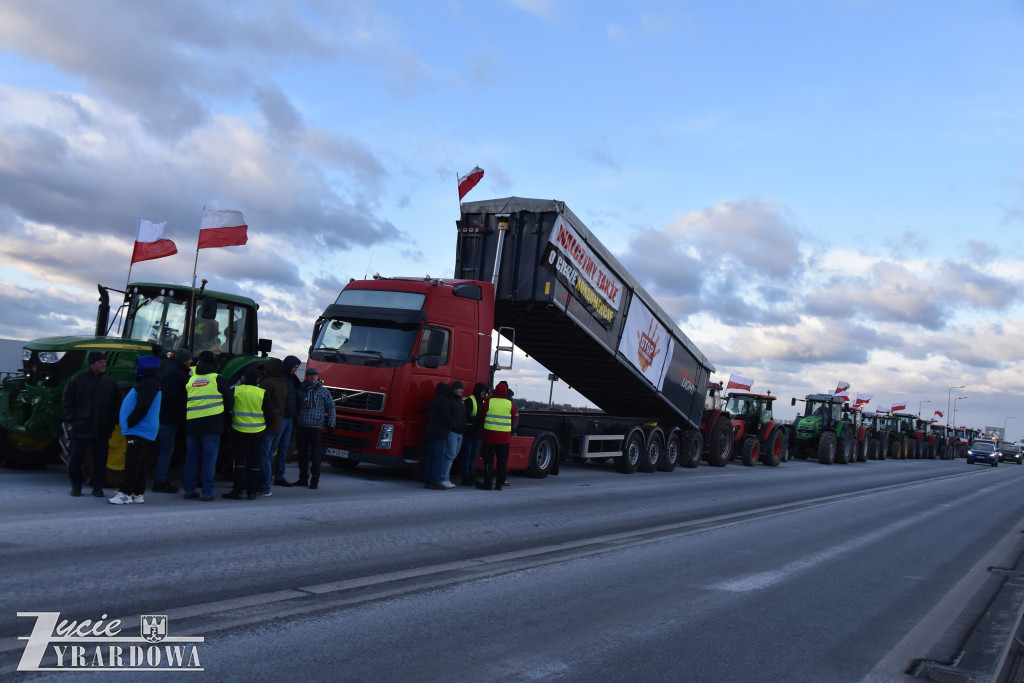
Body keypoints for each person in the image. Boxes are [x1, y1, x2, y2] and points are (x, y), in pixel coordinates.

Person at [61, 350, 120, 497]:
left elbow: (117, 404)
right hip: (80, 428)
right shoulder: (77, 380)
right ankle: (76, 485)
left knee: (100, 462)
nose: (104, 365)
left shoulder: (110, 382)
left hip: (102, 429)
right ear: (92, 364)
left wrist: (111, 421)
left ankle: (97, 487)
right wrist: (72, 419)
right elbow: (67, 401)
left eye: (105, 362)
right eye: (101, 362)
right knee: (75, 459)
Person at [109, 356, 162, 505]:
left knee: (133, 462)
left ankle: (125, 493)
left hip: (140, 429)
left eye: (137, 366)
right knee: (140, 462)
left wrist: (130, 422)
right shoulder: (150, 382)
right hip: (141, 429)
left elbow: (143, 406)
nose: (135, 369)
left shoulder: (149, 383)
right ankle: (138, 493)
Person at [182, 350, 232, 501]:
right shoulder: (218, 379)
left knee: (191, 458)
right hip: (211, 427)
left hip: (192, 425)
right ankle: (207, 492)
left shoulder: (191, 380)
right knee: (209, 460)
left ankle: (189, 490)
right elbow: (230, 402)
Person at [223, 366, 269, 500]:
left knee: (240, 463)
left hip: (239, 431)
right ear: (257, 379)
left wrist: (229, 425)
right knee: (254, 463)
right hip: (257, 433)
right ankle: (252, 492)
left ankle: (237, 491)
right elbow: (270, 414)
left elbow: (227, 408)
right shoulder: (262, 393)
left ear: (244, 378)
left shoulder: (236, 390)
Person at [153, 349, 192, 493]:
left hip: (167, 417)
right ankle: (160, 481)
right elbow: (169, 398)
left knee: (166, 449)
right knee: (166, 450)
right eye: (189, 359)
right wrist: (184, 408)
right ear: (183, 360)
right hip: (168, 419)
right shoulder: (176, 375)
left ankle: (161, 478)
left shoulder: (172, 370)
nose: (191, 362)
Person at [291, 367, 336, 489]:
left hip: (316, 427)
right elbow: (295, 406)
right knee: (302, 455)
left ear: (318, 376)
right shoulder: (300, 391)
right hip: (302, 426)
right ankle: (303, 478)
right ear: (307, 376)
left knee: (316, 455)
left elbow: (331, 407)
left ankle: (315, 480)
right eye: (310, 374)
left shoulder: (323, 391)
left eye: (314, 374)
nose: (312, 376)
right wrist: (295, 420)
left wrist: (331, 423)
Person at [477, 381, 518, 491]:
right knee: (502, 462)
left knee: (488, 461)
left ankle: (488, 484)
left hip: (490, 437)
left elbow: (482, 416)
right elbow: (512, 419)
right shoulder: (510, 404)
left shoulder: (489, 402)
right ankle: (499, 485)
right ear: (506, 392)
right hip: (504, 439)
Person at [257, 357, 286, 496]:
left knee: (263, 456)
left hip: (267, 424)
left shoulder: (267, 384)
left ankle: (264, 487)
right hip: (278, 423)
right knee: (268, 455)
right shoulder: (282, 383)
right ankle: (265, 484)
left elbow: (261, 403)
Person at [272, 355, 302, 486]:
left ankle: (279, 476)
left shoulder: (292, 380)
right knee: (274, 449)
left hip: (289, 418)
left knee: (283, 449)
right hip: (281, 418)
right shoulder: (282, 380)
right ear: (289, 366)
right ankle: (268, 476)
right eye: (295, 367)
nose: (296, 370)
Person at [458, 382, 488, 486]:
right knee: (466, 456)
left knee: (473, 457)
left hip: (478, 434)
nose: (484, 393)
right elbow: (466, 417)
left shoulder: (484, 402)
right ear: (478, 390)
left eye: (485, 391)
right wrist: (479, 419)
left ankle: (471, 475)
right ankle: (465, 477)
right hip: (469, 433)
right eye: (483, 391)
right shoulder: (470, 400)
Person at [439, 380, 467, 487]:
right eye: (459, 388)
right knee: (449, 455)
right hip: (452, 432)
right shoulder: (449, 400)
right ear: (454, 389)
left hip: (460, 433)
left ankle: (446, 477)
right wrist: (451, 426)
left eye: (462, 388)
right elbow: (446, 416)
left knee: (453, 455)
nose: (461, 390)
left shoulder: (460, 402)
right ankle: (443, 478)